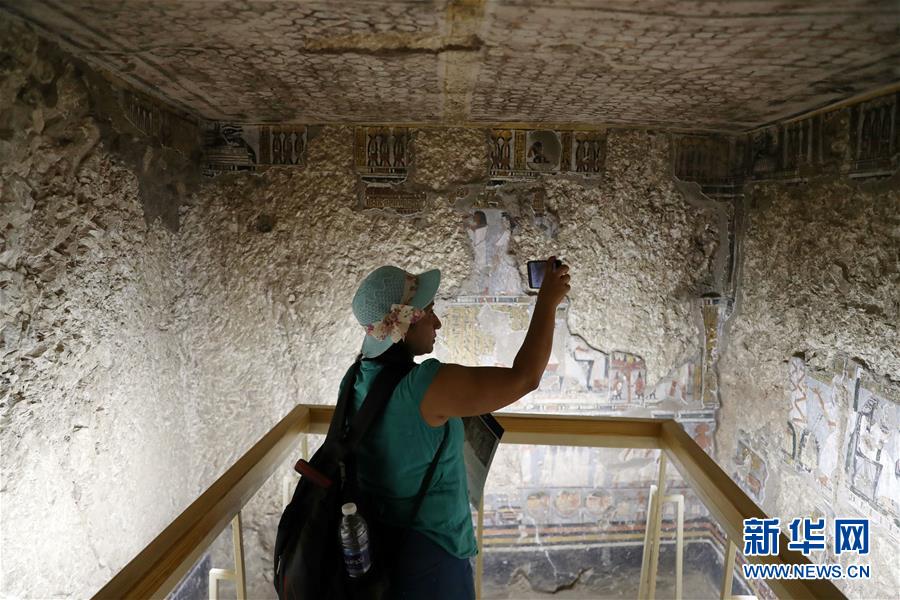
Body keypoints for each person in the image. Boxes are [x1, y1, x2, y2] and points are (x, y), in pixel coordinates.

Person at [346, 256, 570, 599]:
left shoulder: (357, 377)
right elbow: (524, 378)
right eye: (428, 311)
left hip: (382, 545)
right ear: (405, 325)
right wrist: (548, 302)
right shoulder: (424, 386)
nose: (437, 322)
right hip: (433, 559)